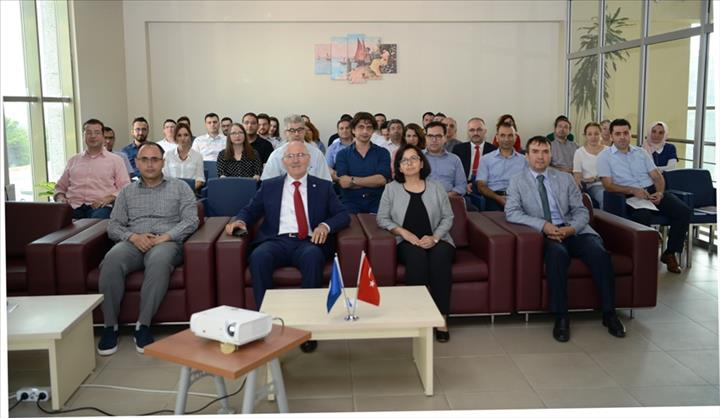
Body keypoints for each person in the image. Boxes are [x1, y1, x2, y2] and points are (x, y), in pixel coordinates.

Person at [226, 140, 350, 352]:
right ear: (283, 161)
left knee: (313, 257)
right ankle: (266, 324)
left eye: (300, 155)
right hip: (276, 241)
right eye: (290, 156)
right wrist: (240, 221)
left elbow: (343, 215)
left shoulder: (323, 187)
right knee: (259, 257)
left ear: (309, 159)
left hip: (308, 242)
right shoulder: (270, 186)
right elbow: (250, 210)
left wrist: (325, 226)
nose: (295, 160)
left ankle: (307, 328)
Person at [505, 135, 626, 343]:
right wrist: (544, 226)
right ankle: (561, 317)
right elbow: (512, 212)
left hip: (574, 230)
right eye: (535, 152)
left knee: (599, 254)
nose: (540, 157)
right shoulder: (517, 181)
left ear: (551, 155)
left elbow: (581, 210)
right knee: (557, 256)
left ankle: (610, 314)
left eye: (545, 152)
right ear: (527, 156)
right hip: (547, 233)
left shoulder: (564, 178)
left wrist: (571, 229)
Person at [97, 142, 199, 355]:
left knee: (159, 261)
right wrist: (133, 237)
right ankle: (110, 326)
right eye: (144, 159)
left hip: (166, 242)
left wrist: (166, 237)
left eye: (155, 159)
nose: (150, 164)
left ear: (163, 162)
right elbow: (113, 225)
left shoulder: (180, 187)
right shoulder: (126, 192)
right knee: (111, 260)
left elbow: (191, 220)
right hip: (133, 241)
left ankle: (143, 325)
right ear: (136, 163)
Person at [376, 144, 455, 342]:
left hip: (438, 239)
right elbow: (382, 218)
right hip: (407, 242)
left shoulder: (436, 187)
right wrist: (403, 232)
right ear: (399, 167)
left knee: (440, 258)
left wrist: (435, 237)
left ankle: (441, 319)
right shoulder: (391, 189)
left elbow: (448, 217)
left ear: (421, 163)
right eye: (404, 160)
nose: (409, 163)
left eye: (414, 159)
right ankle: (418, 319)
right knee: (416, 258)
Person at [597, 118, 691, 273]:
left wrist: (659, 192)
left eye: (626, 133)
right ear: (612, 136)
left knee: (683, 211)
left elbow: (657, 177)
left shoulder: (641, 152)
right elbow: (608, 185)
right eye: (618, 134)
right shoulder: (604, 156)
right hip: (627, 195)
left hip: (652, 191)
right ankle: (643, 259)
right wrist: (632, 190)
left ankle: (670, 253)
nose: (622, 137)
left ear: (630, 134)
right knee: (643, 216)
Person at [55, 119, 131, 219]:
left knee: (97, 220)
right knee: (55, 219)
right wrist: (60, 198)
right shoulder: (73, 160)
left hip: (101, 207)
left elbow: (125, 187)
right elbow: (60, 187)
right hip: (73, 206)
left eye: (97, 133)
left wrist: (109, 198)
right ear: (83, 136)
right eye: (89, 133)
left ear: (103, 137)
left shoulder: (116, 160)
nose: (93, 136)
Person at [335, 112, 392, 213]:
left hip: (377, 202)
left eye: (369, 127)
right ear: (353, 130)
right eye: (361, 127)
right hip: (350, 202)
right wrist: (371, 181)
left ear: (373, 131)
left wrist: (352, 180)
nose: (365, 131)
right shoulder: (342, 154)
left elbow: (381, 180)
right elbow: (344, 183)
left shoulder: (383, 153)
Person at [262, 115, 332, 181]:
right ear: (285, 133)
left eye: (300, 130)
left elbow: (325, 181)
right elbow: (268, 182)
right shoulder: (276, 155)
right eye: (292, 130)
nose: (296, 134)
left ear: (304, 131)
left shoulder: (317, 154)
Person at [477, 122, 527, 211]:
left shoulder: (525, 160)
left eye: (510, 135)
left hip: (518, 198)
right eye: (502, 135)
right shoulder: (486, 159)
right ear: (497, 137)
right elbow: (481, 186)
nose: (506, 139)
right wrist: (498, 198)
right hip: (493, 197)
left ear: (515, 137)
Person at [452, 117, 497, 209]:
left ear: (485, 131)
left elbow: (495, 174)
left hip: (486, 186)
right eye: (472, 130)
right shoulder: (458, 149)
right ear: (468, 132)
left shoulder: (494, 150)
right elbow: (453, 173)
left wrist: (478, 184)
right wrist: (464, 185)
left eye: (479, 130)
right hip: (464, 185)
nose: (475, 133)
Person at [423, 121, 466, 197]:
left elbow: (462, 186)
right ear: (425, 138)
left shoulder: (454, 160)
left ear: (445, 138)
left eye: (438, 136)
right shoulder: (417, 157)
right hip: (422, 199)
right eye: (430, 136)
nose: (434, 140)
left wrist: (446, 196)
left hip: (449, 199)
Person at [162, 123, 205, 193]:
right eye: (179, 135)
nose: (183, 138)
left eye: (186, 135)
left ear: (190, 137)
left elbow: (200, 179)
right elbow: (164, 177)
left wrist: (186, 191)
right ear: (175, 137)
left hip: (190, 192)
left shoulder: (198, 156)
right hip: (171, 192)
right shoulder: (167, 155)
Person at [573, 122, 607, 207]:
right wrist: (593, 180)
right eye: (589, 134)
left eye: (596, 134)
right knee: (605, 196)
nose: (593, 137)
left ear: (601, 134)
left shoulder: (608, 151)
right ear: (585, 136)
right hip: (593, 186)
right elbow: (577, 179)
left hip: (612, 184)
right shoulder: (579, 152)